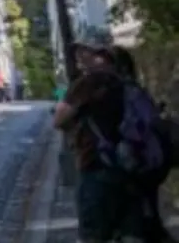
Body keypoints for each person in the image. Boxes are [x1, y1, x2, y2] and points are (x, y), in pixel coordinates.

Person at [54, 41, 146, 242]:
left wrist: (67, 100)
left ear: (102, 56)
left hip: (97, 168)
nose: (80, 56)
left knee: (94, 235)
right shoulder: (127, 83)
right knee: (131, 234)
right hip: (132, 169)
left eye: (86, 51)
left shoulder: (90, 82)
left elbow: (59, 119)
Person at [111, 46, 173, 243]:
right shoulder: (132, 89)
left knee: (141, 219)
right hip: (146, 162)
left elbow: (144, 124)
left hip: (138, 163)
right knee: (148, 217)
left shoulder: (126, 91)